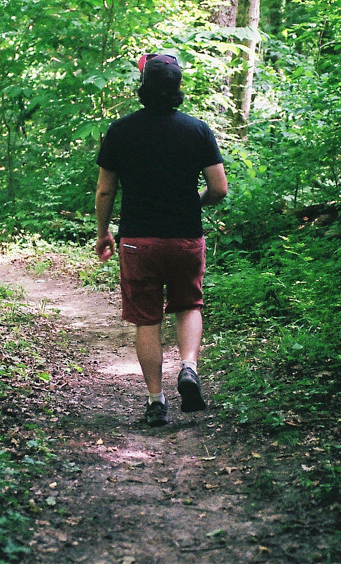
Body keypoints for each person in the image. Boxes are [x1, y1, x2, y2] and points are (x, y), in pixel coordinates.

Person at [94, 53, 228, 426]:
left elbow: (105, 191)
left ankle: (156, 401)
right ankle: (188, 368)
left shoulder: (120, 131)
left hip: (138, 241)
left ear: (143, 87)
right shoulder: (197, 130)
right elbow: (219, 188)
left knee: (147, 319)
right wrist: (194, 202)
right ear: (177, 87)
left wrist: (103, 232)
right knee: (189, 306)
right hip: (185, 237)